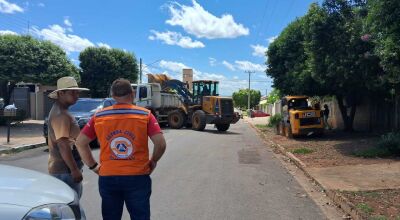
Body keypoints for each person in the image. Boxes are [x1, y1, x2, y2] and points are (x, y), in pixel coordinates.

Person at [76, 78, 166, 220]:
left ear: (113, 96)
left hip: (108, 176)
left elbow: (80, 143)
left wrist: (93, 166)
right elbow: (160, 144)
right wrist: (153, 161)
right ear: (132, 93)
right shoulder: (145, 115)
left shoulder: (98, 116)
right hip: (138, 176)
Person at [47, 76, 89, 219]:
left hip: (62, 170)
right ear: (60, 94)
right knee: (69, 211)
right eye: (72, 92)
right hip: (65, 171)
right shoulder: (61, 115)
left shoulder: (60, 111)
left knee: (62, 210)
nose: (77, 95)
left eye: (77, 92)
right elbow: (63, 145)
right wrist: (74, 170)